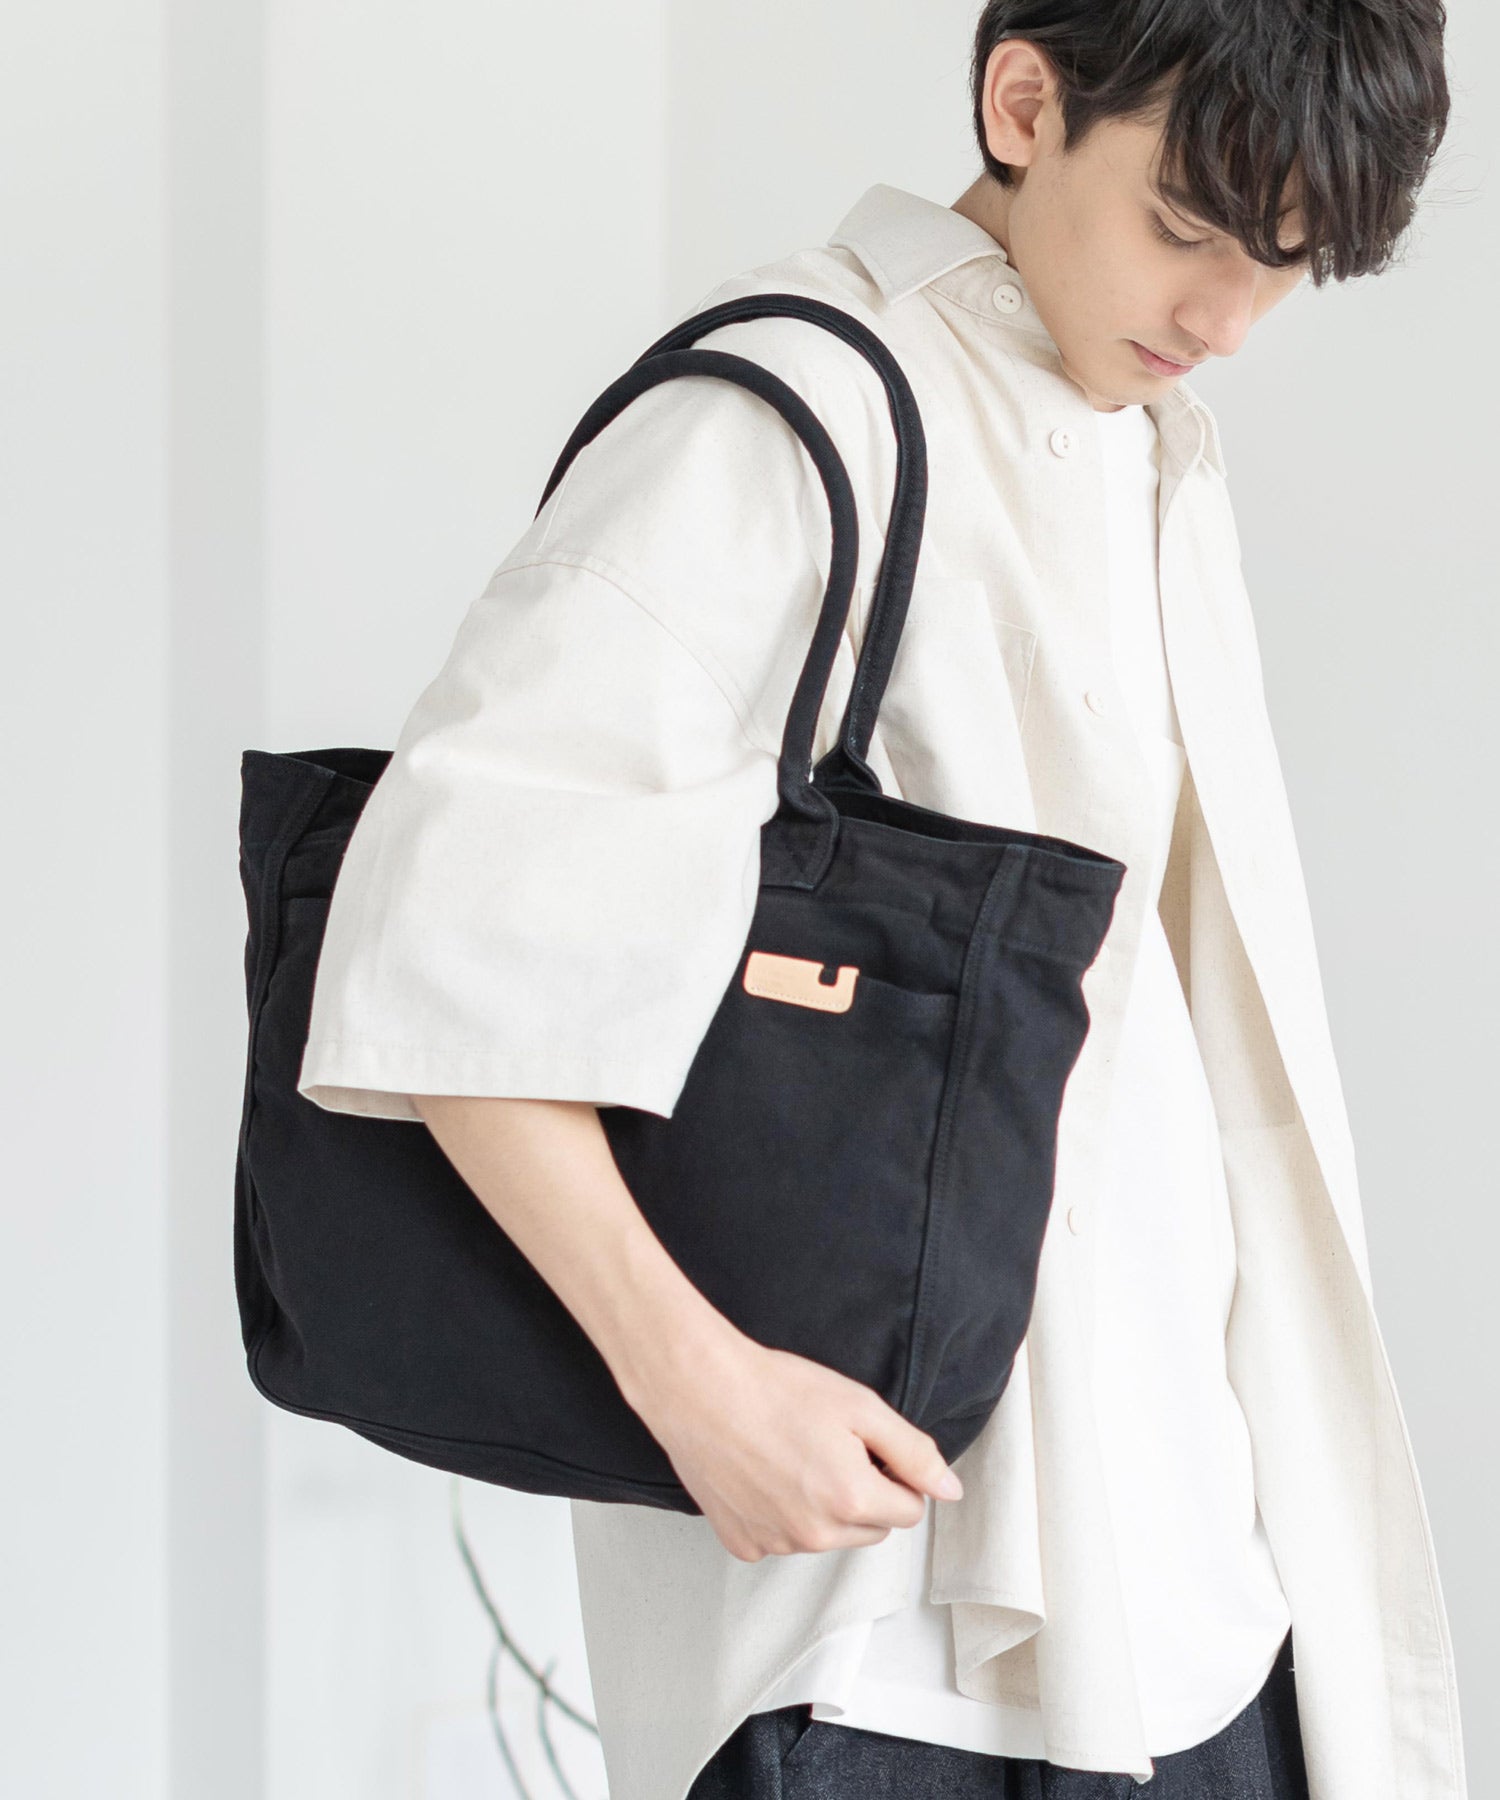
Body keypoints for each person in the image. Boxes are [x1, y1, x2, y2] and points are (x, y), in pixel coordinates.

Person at [296, 3, 1467, 1797]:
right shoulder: (791, 408)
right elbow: (438, 935)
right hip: (884, 1632)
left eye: (1285, 263)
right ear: (1025, 101)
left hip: (1197, 1598)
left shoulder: (1151, 442)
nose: (1229, 317)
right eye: (1189, 226)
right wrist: (696, 1385)